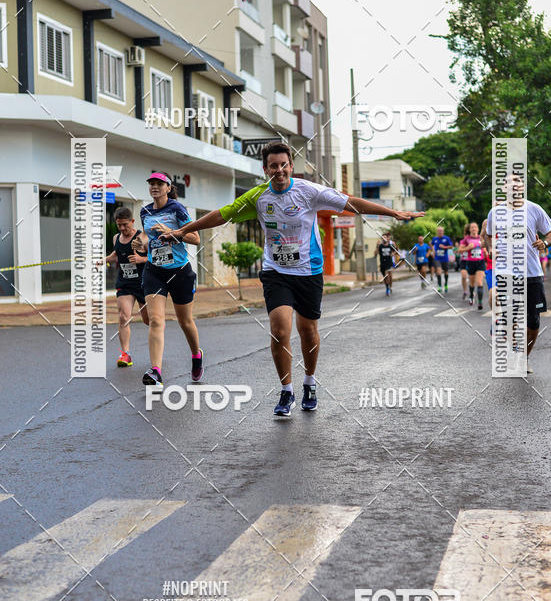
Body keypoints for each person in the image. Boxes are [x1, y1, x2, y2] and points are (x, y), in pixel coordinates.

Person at [157, 141, 424, 418]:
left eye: (283, 165)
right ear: (265, 169)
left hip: (309, 271)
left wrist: (392, 212)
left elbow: (350, 202)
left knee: (308, 331)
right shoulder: (259, 197)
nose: (279, 170)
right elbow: (221, 215)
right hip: (276, 272)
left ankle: (309, 382)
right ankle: (286, 390)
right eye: (273, 166)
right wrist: (183, 231)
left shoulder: (308, 191)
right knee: (280, 330)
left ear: (291, 166)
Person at [132, 172, 203, 389]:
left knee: (185, 321)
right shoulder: (145, 211)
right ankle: (156, 372)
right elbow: (149, 238)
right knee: (155, 320)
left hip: (179, 271)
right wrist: (140, 244)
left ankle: (196, 354)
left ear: (168, 187)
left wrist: (173, 232)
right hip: (154, 271)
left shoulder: (177, 209)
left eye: (159, 184)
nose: (154, 187)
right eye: (151, 183)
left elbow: (195, 238)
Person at [482, 180, 551, 373]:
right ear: (504, 188)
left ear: (523, 187)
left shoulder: (534, 209)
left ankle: (524, 357)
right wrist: (491, 248)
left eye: (518, 183)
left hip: (532, 273)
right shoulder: (495, 213)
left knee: (533, 322)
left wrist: (545, 243)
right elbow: (488, 235)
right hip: (506, 272)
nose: (514, 186)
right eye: (509, 183)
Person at [103, 207, 149, 367]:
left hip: (143, 283)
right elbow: (116, 255)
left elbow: (155, 257)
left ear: (132, 221)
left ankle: (158, 338)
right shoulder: (116, 238)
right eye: (119, 225)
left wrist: (141, 259)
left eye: (125, 225)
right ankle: (125, 354)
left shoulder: (142, 237)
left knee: (149, 320)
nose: (122, 228)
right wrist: (103, 260)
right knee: (123, 316)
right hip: (125, 282)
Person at [458, 222, 486, 310]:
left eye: (475, 227)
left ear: (478, 229)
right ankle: (471, 295)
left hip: (480, 262)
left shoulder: (481, 238)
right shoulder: (466, 239)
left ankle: (480, 302)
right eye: (472, 227)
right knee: (472, 283)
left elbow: (485, 248)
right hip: (470, 263)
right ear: (469, 229)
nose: (474, 228)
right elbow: (460, 250)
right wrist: (468, 248)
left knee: (479, 282)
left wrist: (486, 251)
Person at [430, 225, 453, 293]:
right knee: (438, 271)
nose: (440, 232)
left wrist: (444, 247)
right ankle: (439, 286)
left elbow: (451, 246)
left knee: (446, 272)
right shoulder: (435, 239)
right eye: (439, 231)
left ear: (443, 232)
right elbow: (431, 244)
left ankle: (446, 284)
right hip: (437, 258)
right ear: (437, 232)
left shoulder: (446, 238)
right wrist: (433, 251)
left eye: (441, 231)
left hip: (445, 258)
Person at [375, 231, 396, 296]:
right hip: (382, 264)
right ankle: (387, 287)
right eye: (383, 237)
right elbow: (375, 254)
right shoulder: (380, 246)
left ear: (387, 238)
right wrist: (377, 246)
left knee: (389, 276)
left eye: (385, 237)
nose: (384, 238)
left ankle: (389, 288)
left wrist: (393, 253)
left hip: (389, 263)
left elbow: (395, 251)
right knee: (385, 277)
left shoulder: (390, 245)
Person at [459, 223, 470, 299]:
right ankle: (465, 291)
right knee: (463, 276)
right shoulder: (463, 241)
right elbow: (460, 250)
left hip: (472, 260)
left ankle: (472, 290)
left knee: (472, 278)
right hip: (464, 260)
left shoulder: (475, 239)